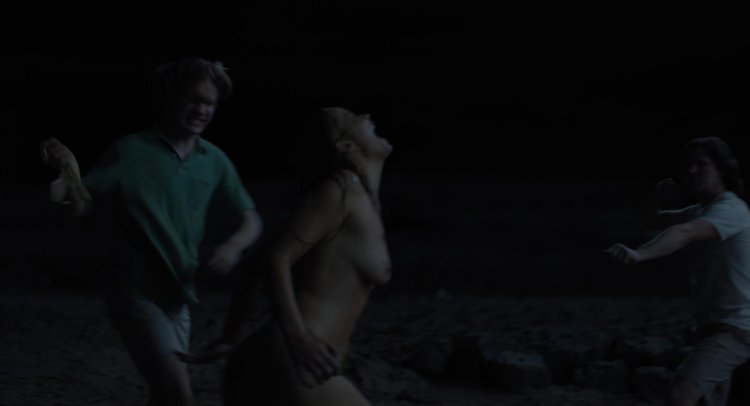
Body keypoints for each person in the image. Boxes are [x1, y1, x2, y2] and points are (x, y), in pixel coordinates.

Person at [40, 57, 263, 406]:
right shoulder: (129, 152)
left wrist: (234, 246)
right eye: (194, 99)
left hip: (180, 297)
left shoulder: (213, 159)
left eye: (210, 103)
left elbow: (251, 218)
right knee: (178, 393)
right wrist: (68, 170)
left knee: (164, 394)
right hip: (135, 292)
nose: (202, 109)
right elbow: (82, 208)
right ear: (170, 97)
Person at [214, 106, 393, 405]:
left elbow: (256, 263)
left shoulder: (358, 199)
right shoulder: (341, 189)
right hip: (293, 361)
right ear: (346, 145)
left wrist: (230, 336)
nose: (365, 115)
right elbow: (275, 258)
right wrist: (298, 337)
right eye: (352, 117)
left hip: (283, 361)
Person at [606, 136, 750, 406]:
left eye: (701, 164)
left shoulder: (732, 210)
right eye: (688, 165)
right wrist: (656, 197)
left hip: (734, 328)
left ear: (722, 168)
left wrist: (640, 254)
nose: (692, 171)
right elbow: (650, 221)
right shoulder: (698, 211)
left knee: (680, 395)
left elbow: (684, 232)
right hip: (710, 326)